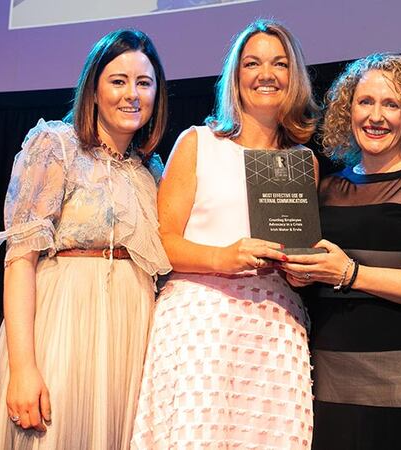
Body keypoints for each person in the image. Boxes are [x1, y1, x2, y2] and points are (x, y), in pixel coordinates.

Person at [0, 29, 171, 450]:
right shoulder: (57, 146)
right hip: (65, 323)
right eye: (118, 81)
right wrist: (23, 368)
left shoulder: (151, 171)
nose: (131, 94)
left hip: (131, 332)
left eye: (144, 83)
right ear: (94, 89)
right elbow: (20, 260)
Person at [131, 19, 319, 449]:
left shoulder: (302, 162)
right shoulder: (199, 142)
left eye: (279, 64)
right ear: (236, 76)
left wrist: (304, 270)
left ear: (295, 78)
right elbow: (162, 243)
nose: (265, 74)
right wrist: (225, 257)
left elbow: (296, 252)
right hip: (202, 323)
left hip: (276, 330)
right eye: (252, 63)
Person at [281, 53, 401, 449]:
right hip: (333, 380)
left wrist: (350, 274)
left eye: (392, 104)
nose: (376, 116)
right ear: (347, 111)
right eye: (366, 102)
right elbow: (316, 276)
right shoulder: (326, 188)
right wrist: (300, 276)